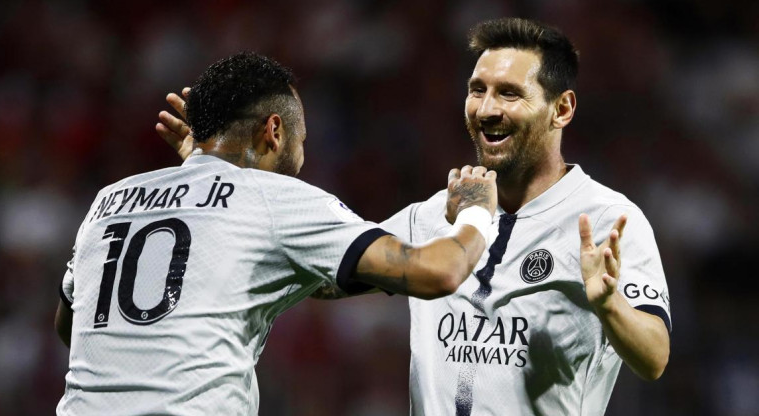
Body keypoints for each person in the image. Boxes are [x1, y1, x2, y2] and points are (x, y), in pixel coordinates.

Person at [158, 19, 671, 415]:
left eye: (509, 93)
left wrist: (610, 308)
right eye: (477, 89)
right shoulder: (432, 216)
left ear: (561, 109)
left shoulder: (607, 219)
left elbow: (653, 358)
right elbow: (315, 273)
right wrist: (214, 176)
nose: (486, 108)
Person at [54, 52, 500, 415]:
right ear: (274, 131)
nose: (302, 156)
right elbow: (438, 272)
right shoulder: (273, 196)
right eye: (302, 140)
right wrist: (477, 212)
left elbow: (72, 326)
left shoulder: (108, 200)